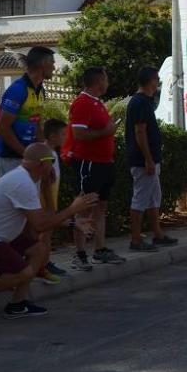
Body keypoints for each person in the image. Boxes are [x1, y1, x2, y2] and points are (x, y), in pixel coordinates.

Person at [0, 144, 98, 327]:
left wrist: (72, 222)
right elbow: (40, 225)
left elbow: (36, 222)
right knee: (23, 272)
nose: (54, 167)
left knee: (38, 249)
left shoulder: (29, 179)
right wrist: (73, 210)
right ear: (42, 164)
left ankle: (17, 304)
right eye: (52, 162)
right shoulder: (22, 182)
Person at [65, 66, 125, 270]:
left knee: (101, 207)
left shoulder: (97, 103)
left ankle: (100, 250)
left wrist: (108, 132)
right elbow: (79, 134)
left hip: (104, 162)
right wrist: (106, 131)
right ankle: (79, 254)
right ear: (98, 81)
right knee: (84, 206)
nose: (108, 82)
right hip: (89, 162)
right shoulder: (82, 103)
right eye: (106, 79)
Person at [125, 67, 179, 252]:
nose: (158, 82)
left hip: (150, 160)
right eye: (157, 79)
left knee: (154, 198)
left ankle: (157, 234)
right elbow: (140, 132)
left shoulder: (145, 102)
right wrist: (147, 158)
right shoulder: (140, 102)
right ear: (151, 81)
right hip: (142, 161)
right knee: (140, 199)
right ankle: (136, 239)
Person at [0, 46, 54, 179]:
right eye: (52, 63)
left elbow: (36, 124)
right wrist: (27, 154)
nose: (54, 67)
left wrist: (45, 157)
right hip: (8, 158)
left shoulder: (40, 91)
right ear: (43, 64)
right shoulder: (18, 89)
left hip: (25, 158)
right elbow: (2, 129)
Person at [36, 119, 68, 286]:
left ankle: (45, 263)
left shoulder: (53, 152)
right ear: (52, 135)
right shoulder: (46, 153)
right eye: (63, 134)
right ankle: (41, 265)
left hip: (51, 200)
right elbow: (45, 182)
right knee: (44, 234)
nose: (65, 137)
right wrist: (49, 207)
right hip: (45, 202)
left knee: (48, 234)